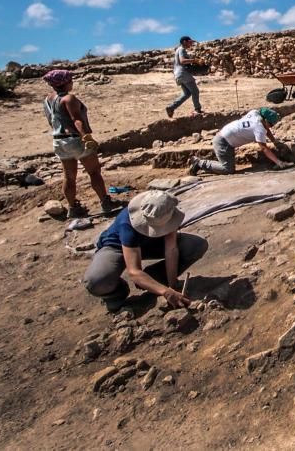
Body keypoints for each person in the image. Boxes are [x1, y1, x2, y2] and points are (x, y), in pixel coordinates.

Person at [83, 190, 207, 312]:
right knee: (97, 281)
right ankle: (117, 292)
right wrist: (166, 293)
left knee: (195, 245)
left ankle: (153, 279)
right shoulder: (127, 224)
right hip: (117, 247)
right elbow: (134, 271)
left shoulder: (166, 212)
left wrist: (172, 284)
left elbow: (171, 250)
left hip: (151, 244)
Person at [42, 69, 120, 218]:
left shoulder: (47, 100)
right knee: (94, 172)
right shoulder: (68, 99)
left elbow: (51, 121)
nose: (72, 82)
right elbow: (76, 119)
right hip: (75, 139)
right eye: (70, 80)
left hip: (59, 141)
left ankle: (73, 208)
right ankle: (105, 203)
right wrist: (87, 137)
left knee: (69, 177)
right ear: (65, 83)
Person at [189, 107, 290, 175]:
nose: (271, 127)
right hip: (223, 142)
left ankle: (203, 163)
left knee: (229, 166)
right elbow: (264, 148)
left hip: (225, 137)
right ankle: (199, 163)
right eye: (271, 124)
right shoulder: (258, 128)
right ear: (265, 120)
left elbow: (266, 128)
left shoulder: (255, 114)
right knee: (228, 169)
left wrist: (274, 141)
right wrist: (279, 162)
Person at [166, 35, 205, 117]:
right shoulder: (181, 49)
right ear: (184, 42)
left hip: (178, 75)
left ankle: (171, 107)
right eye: (189, 42)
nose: (190, 44)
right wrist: (195, 60)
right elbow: (182, 61)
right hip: (183, 73)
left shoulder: (179, 50)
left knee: (186, 93)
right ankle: (197, 109)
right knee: (195, 91)